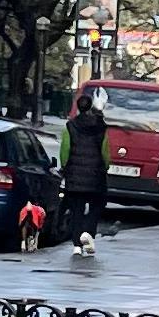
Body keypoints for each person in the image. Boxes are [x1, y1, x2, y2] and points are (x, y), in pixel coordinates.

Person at [62, 88, 110, 261]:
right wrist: (105, 166)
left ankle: (76, 245)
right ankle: (88, 233)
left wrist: (66, 168)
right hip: (96, 176)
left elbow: (64, 152)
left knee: (76, 210)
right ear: (90, 107)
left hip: (75, 176)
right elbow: (106, 152)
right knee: (97, 206)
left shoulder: (70, 126)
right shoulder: (101, 127)